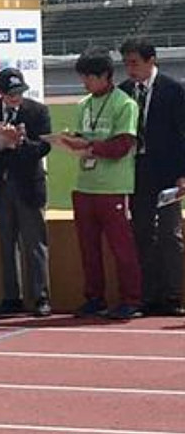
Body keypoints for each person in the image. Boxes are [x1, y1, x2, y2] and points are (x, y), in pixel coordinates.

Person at [57, 49, 143, 320]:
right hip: (85, 185)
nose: (85, 83)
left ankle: (131, 298)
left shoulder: (125, 104)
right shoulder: (83, 104)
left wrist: (90, 146)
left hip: (113, 187)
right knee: (88, 248)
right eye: (83, 77)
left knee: (121, 247)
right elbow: (83, 135)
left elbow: (123, 145)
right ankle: (94, 297)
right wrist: (71, 140)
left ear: (105, 75)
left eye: (89, 77)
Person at [0, 68, 53, 317]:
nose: (15, 98)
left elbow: (44, 147)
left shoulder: (37, 111)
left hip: (28, 183)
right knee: (6, 243)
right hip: (2, 184)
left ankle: (40, 297)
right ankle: (11, 296)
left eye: (19, 92)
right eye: (10, 94)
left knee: (34, 242)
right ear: (0, 93)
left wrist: (21, 141)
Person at [118, 38, 185, 317]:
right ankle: (148, 294)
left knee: (170, 233)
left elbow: (182, 134)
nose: (130, 69)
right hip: (137, 171)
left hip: (167, 172)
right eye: (126, 64)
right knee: (142, 233)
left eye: (134, 63)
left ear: (151, 60)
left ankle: (172, 295)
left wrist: (182, 174)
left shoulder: (173, 90)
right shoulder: (124, 91)